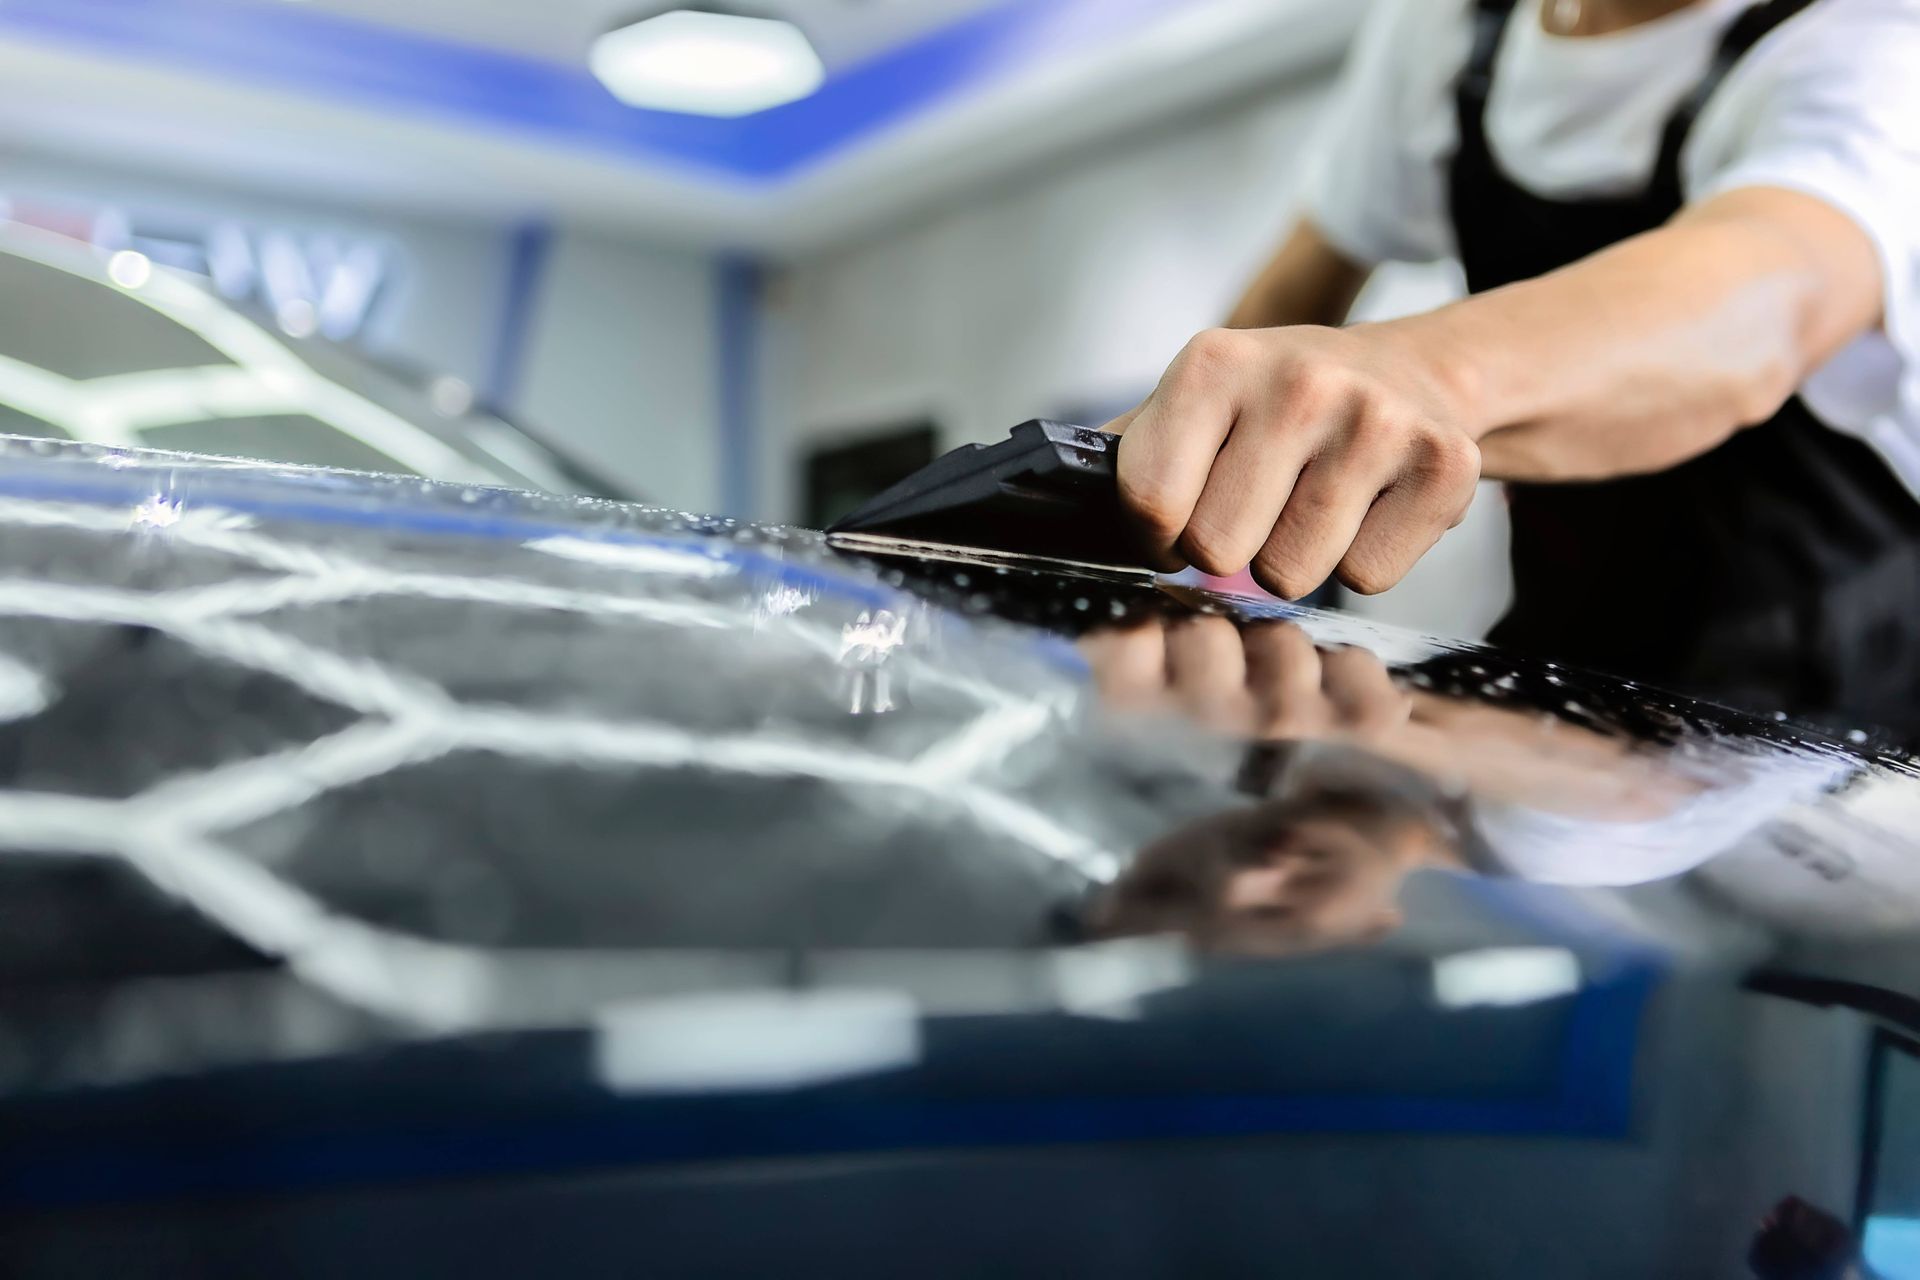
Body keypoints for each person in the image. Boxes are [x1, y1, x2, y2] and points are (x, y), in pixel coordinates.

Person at [1103, 0, 1920, 736]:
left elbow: (1773, 292)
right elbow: (1303, 281)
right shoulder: (1455, 29)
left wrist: (1425, 377)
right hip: (1570, 647)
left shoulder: (1875, 50)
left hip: (1822, 706)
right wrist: (1190, 486)